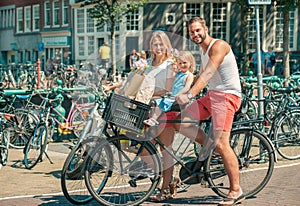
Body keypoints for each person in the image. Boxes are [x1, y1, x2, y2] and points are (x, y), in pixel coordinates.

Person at [173, 17, 243, 205]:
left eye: (197, 30)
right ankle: (211, 147)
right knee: (181, 122)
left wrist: (190, 95)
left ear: (205, 28)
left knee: (223, 144)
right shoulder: (203, 51)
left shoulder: (218, 46)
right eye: (192, 32)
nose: (195, 34)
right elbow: (198, 77)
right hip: (212, 96)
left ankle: (235, 189)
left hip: (227, 97)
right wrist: (180, 92)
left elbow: (208, 74)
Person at [144, 50, 195, 126]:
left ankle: (153, 119)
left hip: (179, 98)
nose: (182, 65)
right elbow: (170, 77)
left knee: (160, 103)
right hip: (171, 96)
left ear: (190, 63)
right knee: (153, 99)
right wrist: (172, 64)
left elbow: (187, 87)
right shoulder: (178, 74)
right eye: (180, 63)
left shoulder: (189, 75)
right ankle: (150, 117)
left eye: (185, 63)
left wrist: (178, 94)